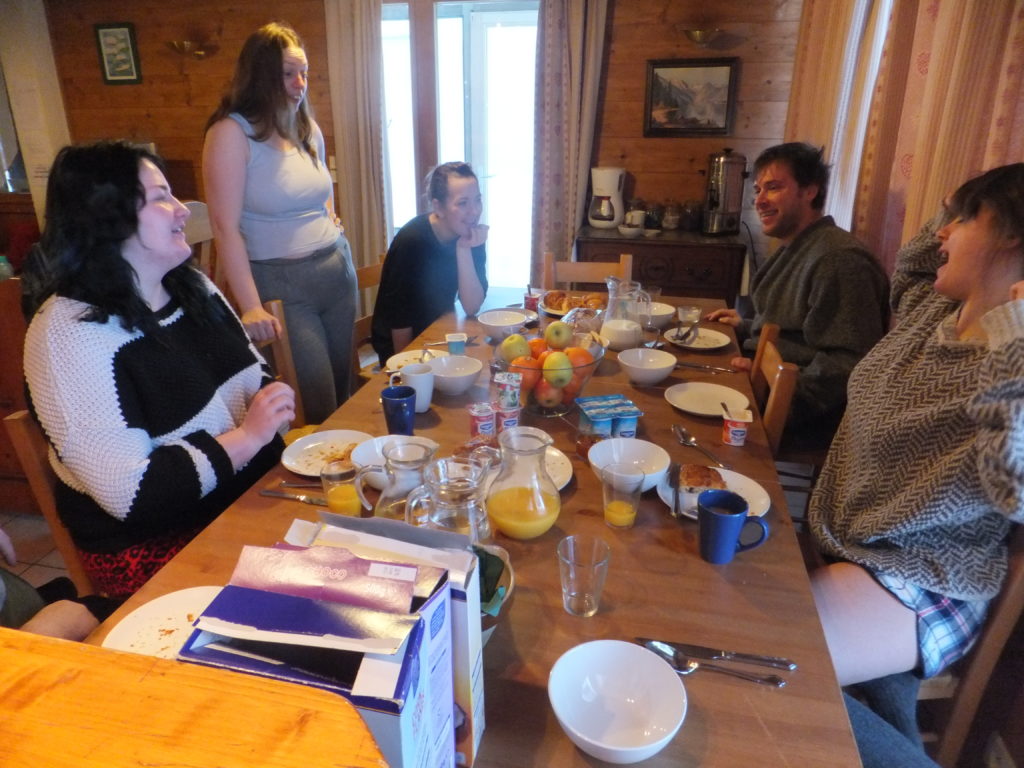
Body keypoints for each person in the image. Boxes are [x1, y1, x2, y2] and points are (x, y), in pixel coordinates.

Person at [23, 141, 295, 599]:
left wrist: (265, 420)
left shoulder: (190, 286)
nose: (183, 210)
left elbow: (256, 378)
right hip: (155, 546)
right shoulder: (69, 334)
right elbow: (135, 494)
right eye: (160, 198)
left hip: (244, 496)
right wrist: (248, 438)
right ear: (107, 218)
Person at [807, 163, 1024, 688]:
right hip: (844, 538)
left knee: (768, 661)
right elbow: (911, 267)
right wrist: (955, 201)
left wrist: (1015, 335)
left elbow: (1015, 488)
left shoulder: (1017, 358)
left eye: (965, 219)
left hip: (923, 575)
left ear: (1012, 234)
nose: (942, 232)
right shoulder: (935, 309)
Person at [203, 22, 356, 424]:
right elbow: (224, 227)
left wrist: (328, 214)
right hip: (282, 285)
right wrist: (251, 306)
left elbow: (320, 187)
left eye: (304, 73)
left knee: (344, 392)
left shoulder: (305, 126)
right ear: (261, 75)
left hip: (336, 270)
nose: (300, 84)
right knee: (317, 400)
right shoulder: (231, 133)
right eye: (289, 74)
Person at [707, 143, 889, 447]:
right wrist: (747, 325)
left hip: (804, 414)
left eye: (773, 188)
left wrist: (771, 389)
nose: (759, 201)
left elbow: (848, 362)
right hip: (765, 387)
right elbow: (797, 330)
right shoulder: (801, 245)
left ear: (810, 191)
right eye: (758, 190)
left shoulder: (839, 260)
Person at [371, 162, 488, 365]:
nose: (474, 211)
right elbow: (399, 318)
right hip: (404, 346)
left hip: (441, 332)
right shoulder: (412, 241)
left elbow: (471, 306)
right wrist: (408, 368)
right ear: (438, 207)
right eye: (463, 203)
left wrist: (464, 249)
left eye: (477, 200)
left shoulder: (470, 234)